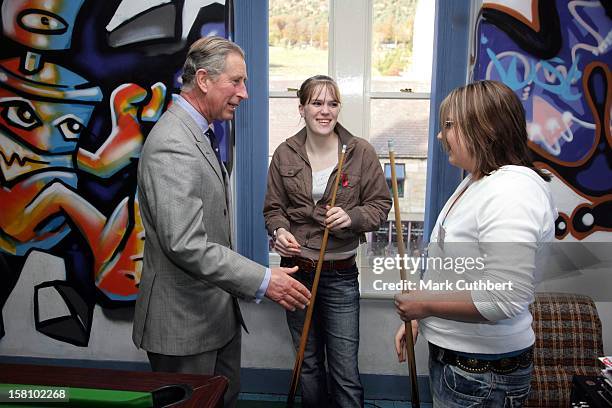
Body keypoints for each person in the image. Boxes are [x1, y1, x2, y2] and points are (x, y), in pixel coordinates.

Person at [132, 36, 311, 408]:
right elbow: (186, 243)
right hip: (184, 326)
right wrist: (263, 279)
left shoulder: (198, 134)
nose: (244, 93)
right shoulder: (173, 143)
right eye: (237, 81)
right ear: (203, 79)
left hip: (216, 317)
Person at [393, 80, 556, 407]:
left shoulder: (512, 193)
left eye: (449, 125)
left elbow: (504, 298)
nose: (441, 136)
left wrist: (423, 306)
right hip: (462, 365)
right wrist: (420, 319)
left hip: (483, 376)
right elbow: (454, 268)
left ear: (485, 127)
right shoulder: (477, 179)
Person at [264, 75, 391, 407]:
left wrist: (352, 218)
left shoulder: (359, 151)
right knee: (307, 364)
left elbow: (381, 205)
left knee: (345, 370)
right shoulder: (285, 152)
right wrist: (279, 232)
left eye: (332, 103)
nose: (325, 111)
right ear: (302, 108)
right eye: (317, 103)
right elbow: (273, 209)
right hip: (296, 271)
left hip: (341, 275)